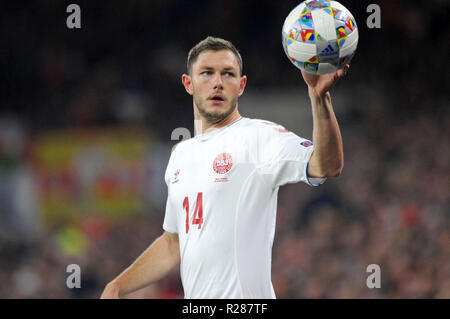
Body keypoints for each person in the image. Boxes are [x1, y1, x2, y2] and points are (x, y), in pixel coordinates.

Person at [101, 36, 348, 299]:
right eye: (206, 73)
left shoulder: (259, 137)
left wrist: (319, 98)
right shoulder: (180, 156)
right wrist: (117, 286)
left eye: (228, 74)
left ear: (241, 86)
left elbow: (327, 165)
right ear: (189, 83)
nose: (217, 82)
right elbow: (173, 243)